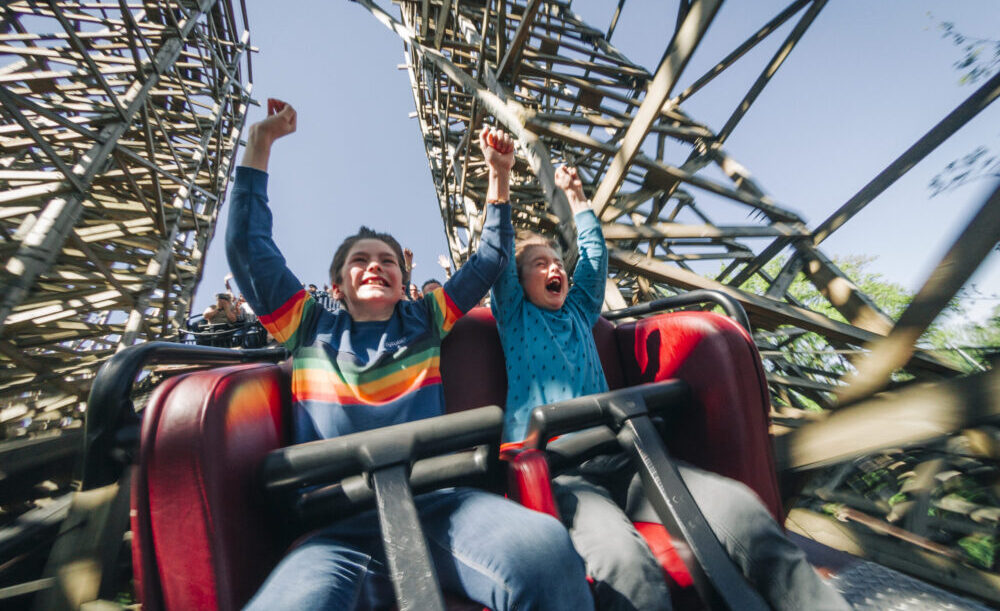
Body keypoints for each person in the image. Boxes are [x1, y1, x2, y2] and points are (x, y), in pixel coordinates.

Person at [226, 98, 592, 611]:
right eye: (360, 261)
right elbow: (248, 248)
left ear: (404, 282)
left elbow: (488, 262)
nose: (375, 266)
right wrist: (259, 144)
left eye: (388, 261)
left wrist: (499, 176)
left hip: (439, 506)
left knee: (545, 553)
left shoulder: (425, 320)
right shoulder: (308, 325)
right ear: (338, 284)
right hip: (338, 527)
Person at [490, 166, 849, 611]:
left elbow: (595, 256)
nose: (553, 267)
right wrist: (499, 176)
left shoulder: (581, 311)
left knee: (742, 511)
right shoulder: (515, 317)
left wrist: (578, 196)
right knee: (623, 562)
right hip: (563, 469)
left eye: (556, 261)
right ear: (520, 285)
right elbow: (498, 257)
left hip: (625, 453)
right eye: (539, 264)